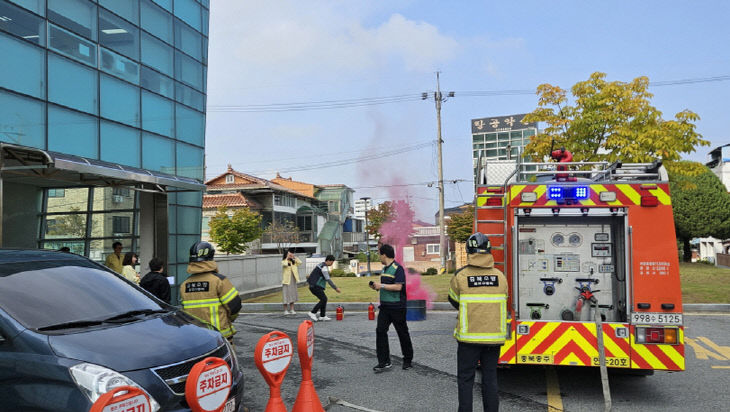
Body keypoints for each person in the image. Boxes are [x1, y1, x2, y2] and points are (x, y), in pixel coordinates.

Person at [448, 232, 508, 412]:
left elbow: (454, 301)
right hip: (493, 339)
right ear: (489, 251)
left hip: (469, 340)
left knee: (466, 380)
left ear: (469, 251)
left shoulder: (460, 276)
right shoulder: (500, 276)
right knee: (490, 379)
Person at [180, 241, 242, 343]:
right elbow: (235, 306)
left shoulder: (184, 285)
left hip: (197, 338)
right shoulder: (219, 281)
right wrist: (229, 319)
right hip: (220, 338)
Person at [369, 243, 413, 372]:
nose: (379, 257)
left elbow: (398, 287)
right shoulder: (384, 269)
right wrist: (376, 287)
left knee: (402, 333)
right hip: (385, 307)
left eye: (379, 254)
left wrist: (381, 286)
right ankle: (384, 361)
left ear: (384, 255)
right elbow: (386, 285)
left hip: (397, 307)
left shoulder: (397, 268)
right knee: (380, 331)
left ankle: (407, 360)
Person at [306, 255, 341, 321]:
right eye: (332, 262)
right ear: (328, 261)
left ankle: (322, 315)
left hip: (314, 285)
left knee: (324, 299)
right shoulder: (324, 268)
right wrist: (335, 288)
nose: (332, 264)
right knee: (324, 299)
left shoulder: (321, 265)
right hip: (315, 286)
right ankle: (313, 312)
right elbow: (328, 279)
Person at [281, 249, 302, 315]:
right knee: (286, 295)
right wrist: (287, 257)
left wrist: (294, 257)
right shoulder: (284, 261)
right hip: (286, 281)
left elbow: (300, 262)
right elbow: (285, 264)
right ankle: (285, 310)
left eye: (291, 254)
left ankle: (292, 309)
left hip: (293, 280)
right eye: (289, 254)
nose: (290, 255)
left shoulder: (294, 262)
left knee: (292, 294)